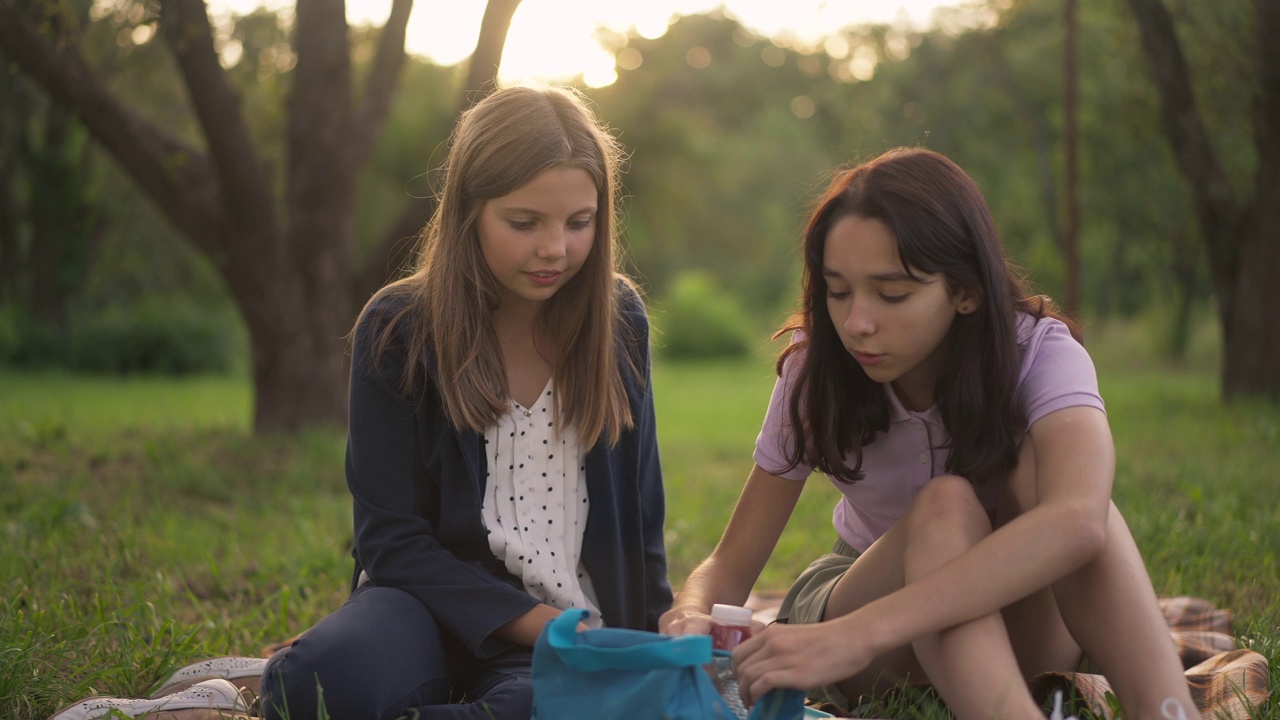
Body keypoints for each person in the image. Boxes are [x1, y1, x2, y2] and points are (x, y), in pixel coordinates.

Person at [48, 84, 670, 720]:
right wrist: (543, 627)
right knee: (331, 679)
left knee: (545, 707)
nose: (555, 249)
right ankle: (255, 686)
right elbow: (391, 542)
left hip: (565, 632)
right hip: (423, 609)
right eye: (524, 223)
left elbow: (642, 515)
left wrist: (653, 639)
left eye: (579, 222)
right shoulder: (400, 326)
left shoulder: (616, 321)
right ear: (468, 212)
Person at [659, 148, 1198, 720]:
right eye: (838, 292)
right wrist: (691, 612)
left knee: (1067, 498)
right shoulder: (813, 372)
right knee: (946, 506)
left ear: (966, 291)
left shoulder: (1039, 352)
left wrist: (862, 633)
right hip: (865, 611)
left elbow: (1080, 523)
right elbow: (730, 565)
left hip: (1002, 613)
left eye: (892, 294)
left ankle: (1168, 711)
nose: (856, 322)